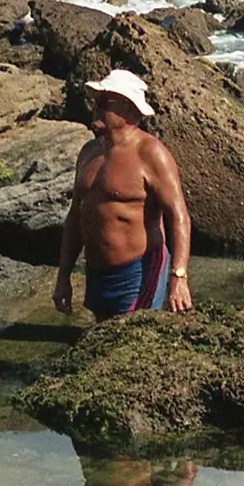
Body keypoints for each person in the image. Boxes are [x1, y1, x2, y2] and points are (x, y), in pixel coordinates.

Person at [53, 68, 194, 320]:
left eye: (105, 101)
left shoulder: (151, 153)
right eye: (95, 99)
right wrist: (63, 277)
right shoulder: (88, 153)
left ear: (130, 111)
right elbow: (75, 218)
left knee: (133, 344)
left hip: (137, 272)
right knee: (104, 344)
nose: (95, 106)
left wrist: (179, 276)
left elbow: (178, 215)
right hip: (97, 274)